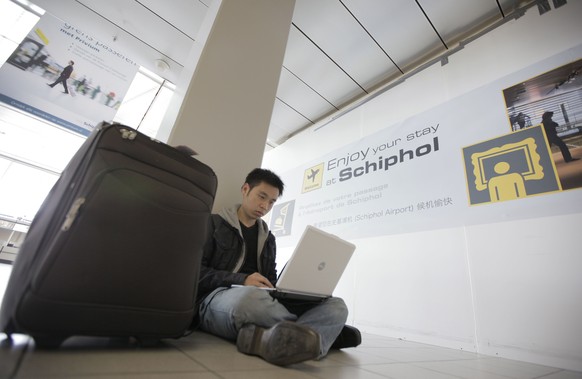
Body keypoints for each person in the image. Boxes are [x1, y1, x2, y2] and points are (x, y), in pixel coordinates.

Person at [196, 168, 361, 366]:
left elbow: (271, 280)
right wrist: (241, 280)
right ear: (245, 189)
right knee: (250, 298)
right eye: (261, 196)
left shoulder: (268, 238)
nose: (265, 206)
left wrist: (290, 287)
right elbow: (195, 274)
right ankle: (320, 333)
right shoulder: (212, 224)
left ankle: (269, 338)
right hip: (219, 299)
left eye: (272, 202)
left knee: (337, 305)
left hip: (264, 300)